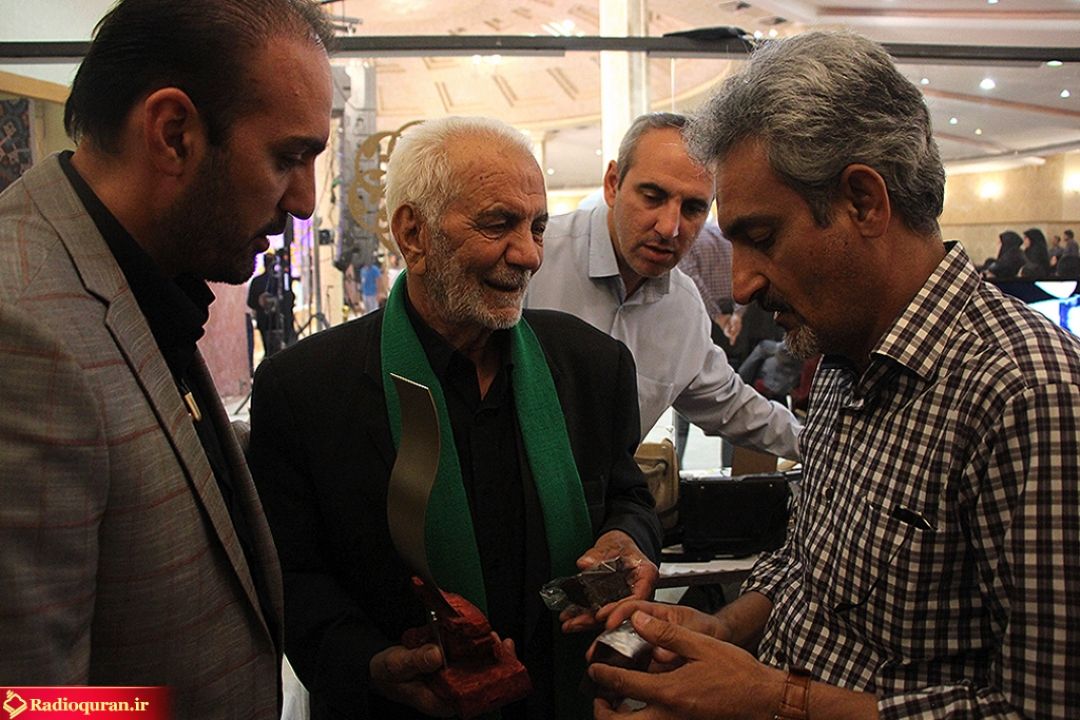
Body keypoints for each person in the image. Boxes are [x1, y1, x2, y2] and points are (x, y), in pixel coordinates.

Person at [590, 30, 1080, 720]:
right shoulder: (841, 359)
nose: (742, 282)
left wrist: (772, 700)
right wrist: (722, 632)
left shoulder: (1029, 396)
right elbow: (805, 565)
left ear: (864, 201)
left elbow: (1044, 707)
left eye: (762, 238)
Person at [247, 116, 662, 720]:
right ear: (412, 234)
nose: (529, 256)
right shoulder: (305, 391)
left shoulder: (593, 366)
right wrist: (373, 665)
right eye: (498, 224)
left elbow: (628, 496)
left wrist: (629, 538)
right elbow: (292, 579)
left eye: (537, 227)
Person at [0, 0, 334, 715]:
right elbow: (29, 699)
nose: (305, 202)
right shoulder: (22, 331)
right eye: (287, 158)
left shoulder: (129, 275)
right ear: (174, 134)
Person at [526, 112, 800, 460]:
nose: (670, 227)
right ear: (612, 184)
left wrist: (823, 448)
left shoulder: (683, 309)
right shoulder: (533, 260)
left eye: (693, 208)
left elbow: (732, 405)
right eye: (653, 196)